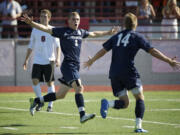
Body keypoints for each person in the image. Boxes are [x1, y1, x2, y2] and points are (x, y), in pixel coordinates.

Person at [84, 13, 180, 132]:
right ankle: (138, 127)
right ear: (136, 23)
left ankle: (108, 103)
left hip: (114, 74)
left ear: (124, 24)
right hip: (129, 72)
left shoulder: (116, 36)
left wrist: (91, 61)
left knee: (125, 103)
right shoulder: (137, 36)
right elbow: (152, 51)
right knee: (140, 98)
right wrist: (168, 60)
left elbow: (103, 51)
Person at [21, 11, 119, 123]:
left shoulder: (81, 32)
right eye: (73, 19)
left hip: (74, 67)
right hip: (68, 66)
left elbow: (94, 34)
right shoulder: (63, 31)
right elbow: (46, 29)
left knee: (60, 95)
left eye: (77, 19)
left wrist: (109, 32)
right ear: (68, 21)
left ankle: (37, 100)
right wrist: (32, 23)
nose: (76, 21)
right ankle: (82, 115)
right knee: (79, 87)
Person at [23, 9, 61, 112]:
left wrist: (58, 59)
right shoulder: (35, 30)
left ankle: (50, 105)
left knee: (50, 83)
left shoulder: (53, 30)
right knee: (35, 81)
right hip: (37, 60)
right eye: (41, 16)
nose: (43, 18)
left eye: (45, 16)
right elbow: (31, 46)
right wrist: (26, 59)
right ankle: (40, 100)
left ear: (49, 18)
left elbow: (58, 46)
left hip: (49, 61)